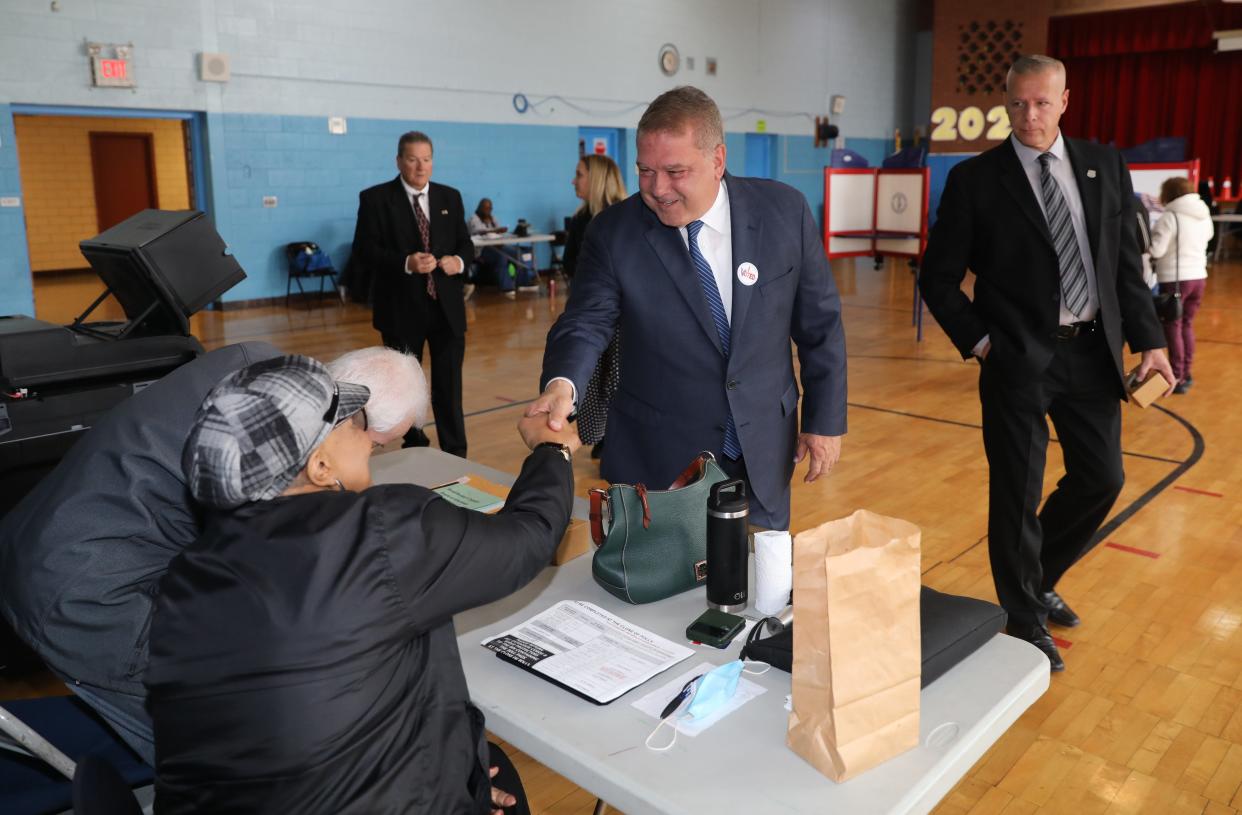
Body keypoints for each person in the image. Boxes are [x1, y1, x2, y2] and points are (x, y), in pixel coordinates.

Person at [145, 354, 579, 813]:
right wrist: (552, 451)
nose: (363, 429)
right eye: (349, 420)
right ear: (319, 467)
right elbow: (527, 539)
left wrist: (453, 773)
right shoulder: (378, 532)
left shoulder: (182, 581)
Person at [0, 343, 424, 765]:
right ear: (353, 420)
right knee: (228, 742)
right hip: (86, 592)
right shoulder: (272, 436)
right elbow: (264, 574)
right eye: (377, 447)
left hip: (49, 536)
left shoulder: (260, 364)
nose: (370, 463)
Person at [918, 55, 1175, 672]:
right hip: (1016, 360)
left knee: (1102, 478)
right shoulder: (976, 179)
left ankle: (1041, 575)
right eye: (1017, 104)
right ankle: (1024, 617)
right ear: (1005, 104)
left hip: (1092, 352)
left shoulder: (1105, 164)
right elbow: (940, 278)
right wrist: (984, 345)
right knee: (1016, 494)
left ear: (1064, 101)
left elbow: (1124, 268)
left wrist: (1152, 341)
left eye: (1041, 102)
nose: (1029, 115)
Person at [529, 86, 847, 530]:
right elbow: (586, 321)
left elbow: (820, 325)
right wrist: (563, 385)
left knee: (761, 588)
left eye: (675, 171)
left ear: (718, 160)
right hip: (658, 461)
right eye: (645, 171)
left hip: (763, 452)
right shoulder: (614, 233)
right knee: (661, 592)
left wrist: (824, 420)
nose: (658, 189)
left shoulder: (783, 211)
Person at [353, 131, 474, 456]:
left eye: (426, 159)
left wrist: (458, 261)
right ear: (398, 161)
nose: (420, 167)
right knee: (405, 387)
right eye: (412, 159)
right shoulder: (375, 199)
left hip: (446, 309)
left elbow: (466, 243)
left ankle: (455, 452)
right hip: (401, 310)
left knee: (449, 388)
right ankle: (415, 445)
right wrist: (405, 262)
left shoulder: (450, 197)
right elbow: (363, 251)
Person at [563, 154, 627, 458]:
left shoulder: (622, 218)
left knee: (617, 382)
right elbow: (569, 266)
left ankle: (617, 439)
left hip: (623, 320)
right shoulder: (580, 220)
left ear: (597, 178)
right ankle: (602, 437)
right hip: (589, 315)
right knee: (591, 380)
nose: (574, 180)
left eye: (579, 174)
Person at [1148, 176, 1212, 394]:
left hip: (1175, 279)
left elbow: (1157, 250)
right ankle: (1185, 372)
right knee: (1187, 324)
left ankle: (1176, 375)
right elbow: (1209, 238)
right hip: (1199, 276)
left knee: (1173, 326)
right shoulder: (1203, 213)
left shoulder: (1170, 216)